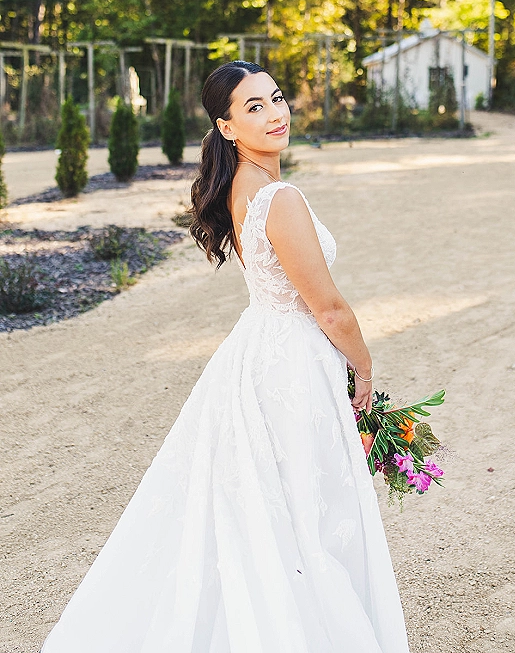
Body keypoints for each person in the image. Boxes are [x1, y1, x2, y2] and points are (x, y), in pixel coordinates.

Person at [42, 61, 409, 652]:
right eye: (254, 107)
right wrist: (363, 365)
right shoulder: (278, 197)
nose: (275, 113)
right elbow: (329, 308)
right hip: (291, 362)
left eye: (277, 98)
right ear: (227, 126)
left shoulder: (240, 186)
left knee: (272, 514)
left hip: (257, 352)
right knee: (307, 519)